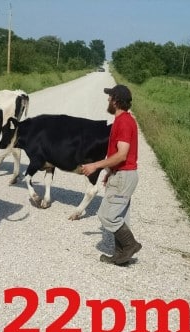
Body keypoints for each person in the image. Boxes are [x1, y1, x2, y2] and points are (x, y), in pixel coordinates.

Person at [80, 84, 141, 265]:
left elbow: (122, 154)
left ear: (116, 101)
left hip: (124, 176)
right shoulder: (126, 120)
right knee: (120, 216)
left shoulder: (123, 122)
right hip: (122, 174)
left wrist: (96, 166)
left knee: (107, 216)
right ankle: (121, 256)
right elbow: (121, 156)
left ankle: (130, 245)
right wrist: (109, 171)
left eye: (110, 97)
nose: (107, 99)